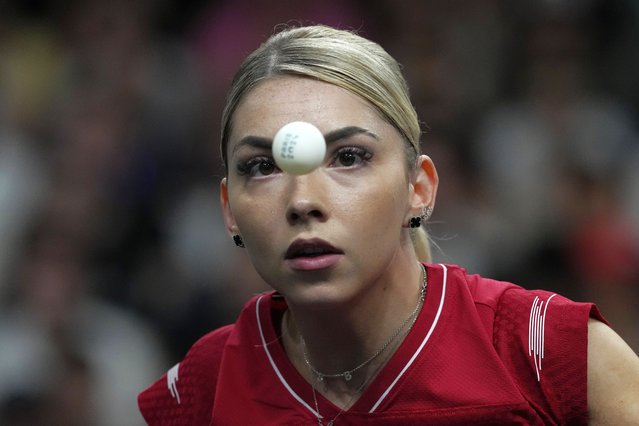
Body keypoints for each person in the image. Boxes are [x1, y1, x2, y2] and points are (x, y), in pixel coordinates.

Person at [138, 25, 639, 425]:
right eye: (262, 167)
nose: (303, 201)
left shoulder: (549, 353)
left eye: (350, 157)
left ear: (418, 189)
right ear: (228, 209)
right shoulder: (203, 388)